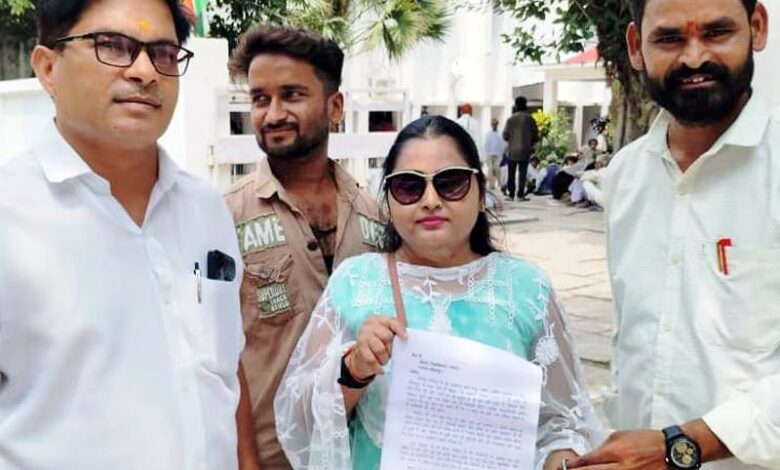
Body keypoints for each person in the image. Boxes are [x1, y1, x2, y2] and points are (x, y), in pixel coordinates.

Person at [274, 115, 602, 470]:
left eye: (450, 182)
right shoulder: (356, 283)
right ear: (388, 201)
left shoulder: (526, 289)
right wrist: (354, 369)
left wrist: (562, 461)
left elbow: (563, 422)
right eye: (409, 187)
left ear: (481, 193)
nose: (430, 200)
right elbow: (299, 421)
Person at [0, 0, 247, 469]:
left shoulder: (206, 208)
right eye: (113, 45)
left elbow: (223, 373)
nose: (145, 72)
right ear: (48, 68)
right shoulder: (11, 217)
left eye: (164, 53)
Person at [568, 1, 779, 469]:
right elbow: (633, 344)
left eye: (717, 32)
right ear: (635, 47)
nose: (694, 57)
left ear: (757, 27)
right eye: (669, 38)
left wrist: (681, 445)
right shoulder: (626, 174)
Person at [224, 25, 383, 469]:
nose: (273, 114)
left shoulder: (376, 215)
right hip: (272, 458)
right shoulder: (222, 217)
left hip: (361, 454)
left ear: (335, 107)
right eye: (260, 99)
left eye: (291, 95)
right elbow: (218, 357)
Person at [503, 96, 539, 201]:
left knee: (511, 173)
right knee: (522, 174)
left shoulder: (510, 119)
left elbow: (505, 135)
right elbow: (536, 136)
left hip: (512, 150)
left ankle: (510, 194)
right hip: (525, 150)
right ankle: (520, 195)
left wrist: (512, 139)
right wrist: (530, 143)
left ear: (516, 105)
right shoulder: (530, 119)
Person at [484, 117, 505, 190]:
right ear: (491, 125)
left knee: (497, 169)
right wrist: (486, 154)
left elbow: (502, 144)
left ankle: (499, 183)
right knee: (490, 170)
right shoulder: (488, 134)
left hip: (498, 154)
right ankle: (491, 185)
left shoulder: (500, 134)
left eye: (495, 124)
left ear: (497, 124)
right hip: (490, 154)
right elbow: (486, 144)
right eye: (493, 124)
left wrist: (502, 153)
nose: (494, 125)